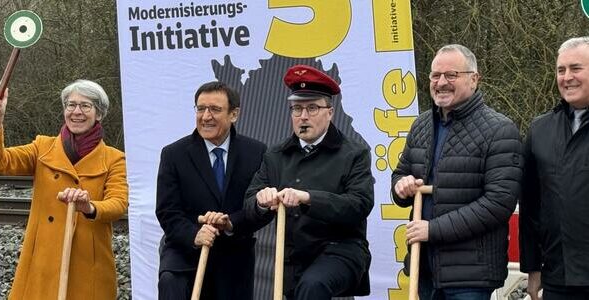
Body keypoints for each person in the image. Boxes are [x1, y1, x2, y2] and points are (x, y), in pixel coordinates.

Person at [391, 44, 523, 299]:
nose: (441, 82)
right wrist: (401, 185)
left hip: (470, 276)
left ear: (474, 80)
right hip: (425, 269)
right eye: (435, 75)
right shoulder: (421, 125)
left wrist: (432, 230)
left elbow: (498, 203)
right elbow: (400, 176)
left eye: (451, 75)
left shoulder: (500, 130)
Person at [0, 79, 128, 299]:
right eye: (71, 105)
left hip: (88, 266)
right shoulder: (43, 147)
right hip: (42, 262)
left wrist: (89, 207)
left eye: (85, 106)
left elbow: (118, 203)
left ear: (99, 114)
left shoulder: (114, 159)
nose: (76, 111)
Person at [244, 65, 374, 299]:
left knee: (313, 285)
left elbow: (359, 205)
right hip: (294, 257)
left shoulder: (354, 153)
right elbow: (249, 205)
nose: (303, 116)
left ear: (330, 112)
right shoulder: (275, 155)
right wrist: (261, 202)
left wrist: (308, 198)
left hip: (341, 250)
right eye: (297, 109)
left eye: (312, 108)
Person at [156, 81, 266, 299]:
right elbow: (167, 211)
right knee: (170, 282)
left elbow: (261, 208)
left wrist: (230, 222)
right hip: (184, 253)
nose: (206, 116)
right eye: (200, 108)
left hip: (234, 255)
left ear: (234, 114)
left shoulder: (256, 152)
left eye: (215, 109)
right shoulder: (173, 154)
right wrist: (195, 235)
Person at [519, 36, 589, 300]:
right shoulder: (540, 129)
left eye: (576, 68)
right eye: (561, 70)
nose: (566, 77)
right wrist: (533, 268)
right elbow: (531, 206)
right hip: (558, 279)